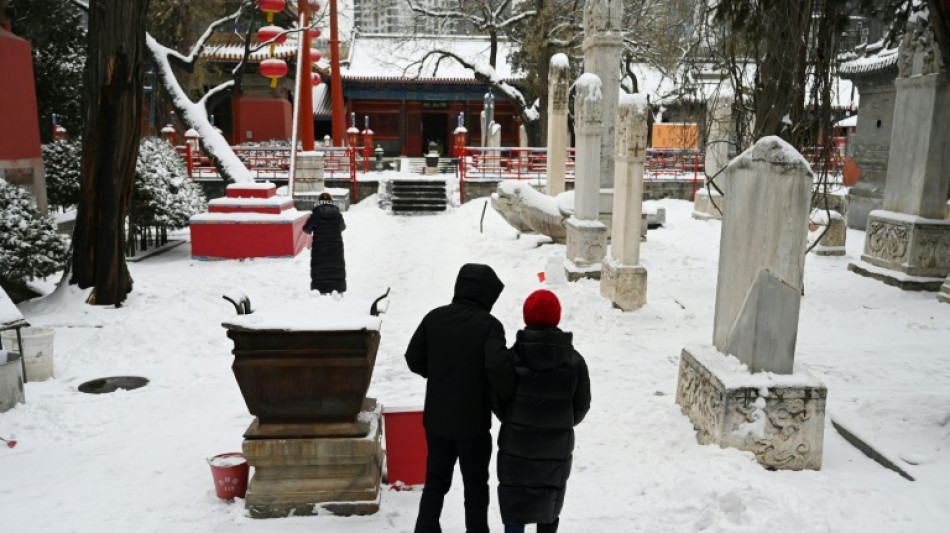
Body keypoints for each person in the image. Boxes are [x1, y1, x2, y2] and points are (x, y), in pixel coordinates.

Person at [405, 264, 515, 533]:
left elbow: (413, 358)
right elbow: (498, 367)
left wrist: (438, 373)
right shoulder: (489, 326)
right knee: (475, 486)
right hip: (473, 423)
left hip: (437, 420)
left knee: (435, 481)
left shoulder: (434, 318)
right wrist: (505, 397)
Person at [495, 289, 591, 533]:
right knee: (548, 509)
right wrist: (559, 422)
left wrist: (515, 420)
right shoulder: (575, 362)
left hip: (516, 449)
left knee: (515, 510)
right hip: (555, 450)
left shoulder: (511, 358)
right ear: (557, 316)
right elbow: (581, 406)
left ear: (526, 316)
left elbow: (498, 401)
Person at [302, 192, 346, 294]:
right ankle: (337, 289)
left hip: (320, 248)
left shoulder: (315, 215)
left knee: (320, 268)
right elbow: (342, 227)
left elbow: (306, 230)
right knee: (336, 268)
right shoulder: (337, 214)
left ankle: (320, 290)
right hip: (335, 248)